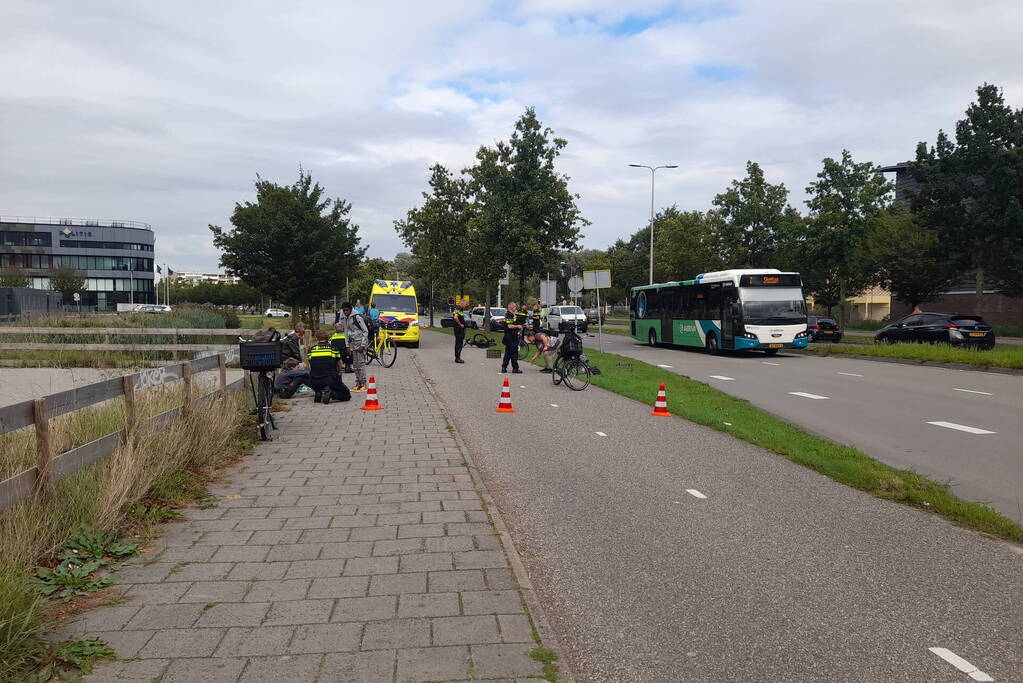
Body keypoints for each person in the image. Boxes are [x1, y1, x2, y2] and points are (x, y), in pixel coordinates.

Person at [306, 330, 351, 404]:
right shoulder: (333, 349)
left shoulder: (311, 350)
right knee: (346, 395)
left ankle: (319, 392)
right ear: (328, 338)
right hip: (330, 379)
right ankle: (332, 394)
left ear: (317, 338)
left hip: (314, 380)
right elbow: (341, 365)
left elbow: (311, 363)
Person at [339, 301, 370, 391]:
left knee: (361, 363)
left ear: (351, 309)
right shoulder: (345, 318)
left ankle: (363, 383)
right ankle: (358, 382)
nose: (345, 312)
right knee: (355, 364)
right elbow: (345, 333)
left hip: (360, 343)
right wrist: (347, 345)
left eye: (347, 310)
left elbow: (365, 331)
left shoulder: (357, 317)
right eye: (344, 310)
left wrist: (363, 345)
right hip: (353, 343)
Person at [501, 302, 523, 374]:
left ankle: (504, 367)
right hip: (511, 336)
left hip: (508, 336)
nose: (515, 308)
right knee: (514, 353)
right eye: (514, 307)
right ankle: (515, 368)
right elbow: (509, 326)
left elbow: (511, 324)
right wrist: (518, 326)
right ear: (511, 307)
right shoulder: (509, 315)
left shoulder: (509, 315)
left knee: (508, 352)